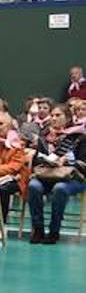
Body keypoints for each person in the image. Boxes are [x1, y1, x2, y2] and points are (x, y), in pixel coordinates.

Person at [25, 104, 86, 244]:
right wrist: (39, 157)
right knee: (34, 186)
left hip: (74, 177)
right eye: (52, 115)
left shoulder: (79, 136)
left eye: (58, 115)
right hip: (47, 174)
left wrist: (66, 162)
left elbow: (83, 163)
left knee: (60, 188)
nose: (54, 118)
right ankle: (38, 229)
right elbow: (36, 161)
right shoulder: (44, 136)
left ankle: (54, 230)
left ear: (68, 118)